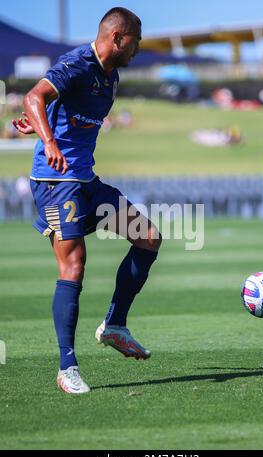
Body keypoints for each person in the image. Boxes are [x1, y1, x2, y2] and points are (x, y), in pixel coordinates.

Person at [13, 7, 162, 394]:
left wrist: (44, 124)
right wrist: (46, 140)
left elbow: (61, 115)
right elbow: (34, 96)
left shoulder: (110, 78)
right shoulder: (78, 63)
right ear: (117, 37)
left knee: (148, 236)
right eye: (136, 41)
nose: (138, 49)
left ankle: (114, 325)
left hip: (85, 180)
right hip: (55, 181)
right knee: (74, 264)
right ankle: (67, 367)